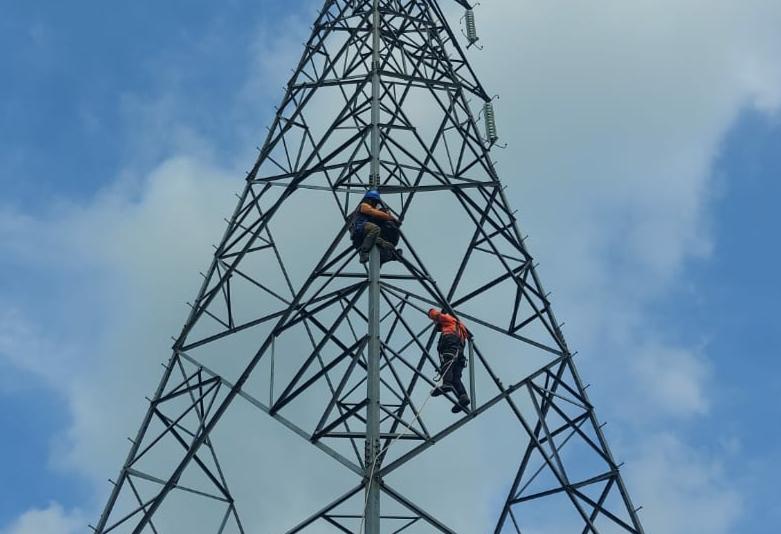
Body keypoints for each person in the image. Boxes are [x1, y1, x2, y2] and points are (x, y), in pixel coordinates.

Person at [428, 308, 471, 413]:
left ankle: (447, 384)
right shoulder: (461, 329)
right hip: (459, 352)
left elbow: (436, 314)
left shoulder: (450, 320)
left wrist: (430, 312)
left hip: (451, 344)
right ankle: (463, 396)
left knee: (447, 363)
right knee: (456, 377)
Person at [351, 190, 402, 264]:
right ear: (370, 200)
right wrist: (388, 216)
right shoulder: (364, 205)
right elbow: (373, 212)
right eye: (375, 202)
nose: (375, 204)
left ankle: (392, 255)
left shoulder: (373, 211)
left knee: (385, 244)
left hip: (368, 236)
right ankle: (364, 252)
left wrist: (393, 219)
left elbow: (380, 215)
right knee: (375, 228)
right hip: (360, 229)